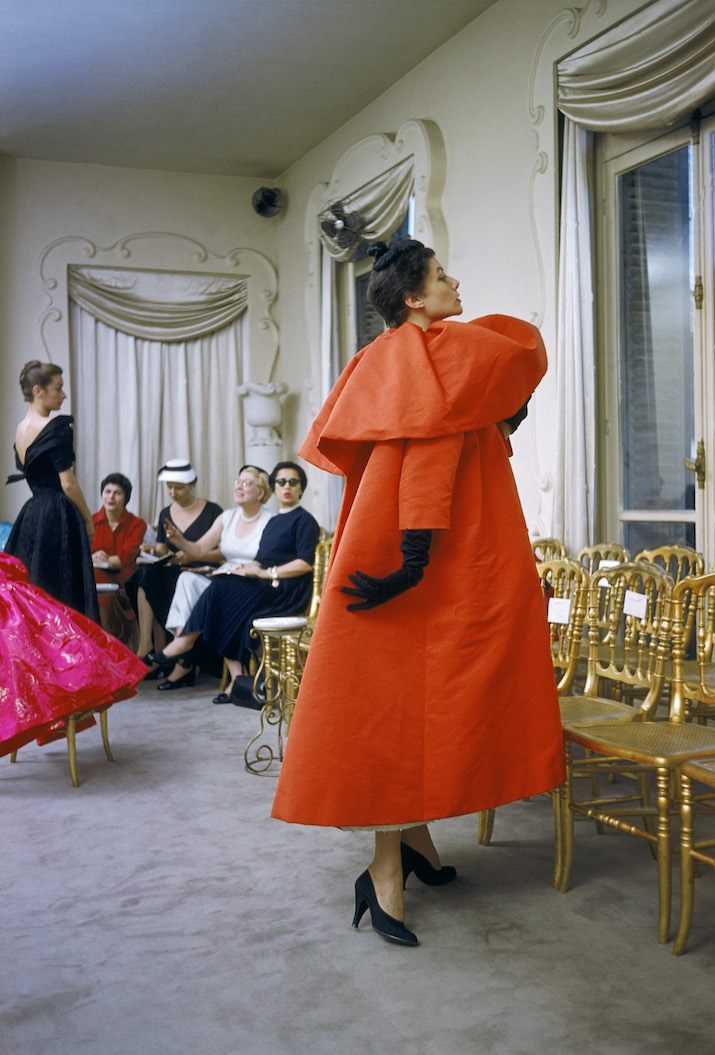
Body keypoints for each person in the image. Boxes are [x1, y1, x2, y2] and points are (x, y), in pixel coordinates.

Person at [270, 239, 565, 946]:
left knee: (406, 698)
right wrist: (413, 558)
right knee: (400, 705)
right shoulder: (437, 355)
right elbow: (434, 455)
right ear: (412, 298)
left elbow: (470, 416)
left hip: (407, 544)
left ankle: (416, 843)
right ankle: (383, 870)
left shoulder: (392, 357)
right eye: (440, 276)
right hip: (433, 553)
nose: (454, 281)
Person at [147, 461, 320, 704]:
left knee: (221, 589)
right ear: (274, 487)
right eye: (281, 482)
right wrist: (249, 569)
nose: (287, 486)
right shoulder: (273, 523)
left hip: (286, 589)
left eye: (293, 482)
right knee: (224, 591)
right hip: (267, 584)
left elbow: (305, 563)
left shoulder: (304, 520)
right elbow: (260, 559)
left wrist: (265, 573)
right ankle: (236, 681)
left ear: (301, 489)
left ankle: (185, 642)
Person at [0, 551, 147, 759]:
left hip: (20, 605)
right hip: (20, 604)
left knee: (56, 657)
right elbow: (17, 568)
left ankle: (72, 689)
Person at [157, 465, 275, 690]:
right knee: (187, 580)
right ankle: (184, 642)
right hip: (226, 580)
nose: (239, 486)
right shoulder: (227, 517)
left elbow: (270, 559)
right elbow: (200, 550)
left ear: (261, 493)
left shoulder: (270, 520)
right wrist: (180, 541)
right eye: (237, 481)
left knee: (221, 592)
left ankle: (186, 646)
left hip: (254, 584)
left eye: (247, 483)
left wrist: (248, 568)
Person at [5, 360, 99, 621]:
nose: (63, 394)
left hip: (32, 515)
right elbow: (67, 483)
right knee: (62, 593)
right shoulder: (54, 428)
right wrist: (88, 520)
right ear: (38, 391)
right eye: (58, 388)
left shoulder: (20, 430)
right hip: (57, 513)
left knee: (35, 590)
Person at [125, 459, 222, 665]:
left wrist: (194, 555)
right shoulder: (165, 513)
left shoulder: (213, 511)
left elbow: (223, 553)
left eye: (179, 488)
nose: (173, 493)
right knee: (143, 575)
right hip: (175, 570)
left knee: (154, 581)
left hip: (202, 572)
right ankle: (147, 643)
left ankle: (165, 653)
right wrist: (153, 550)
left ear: (192, 485)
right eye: (169, 488)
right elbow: (162, 548)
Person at [92, 473, 147, 643]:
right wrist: (91, 556)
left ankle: (105, 639)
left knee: (95, 575)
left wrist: (95, 560)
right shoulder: (90, 522)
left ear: (126, 498)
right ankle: (105, 634)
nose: (111, 497)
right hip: (98, 579)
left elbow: (124, 559)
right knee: (94, 577)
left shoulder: (137, 524)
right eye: (107, 491)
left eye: (117, 493)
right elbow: (80, 556)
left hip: (126, 580)